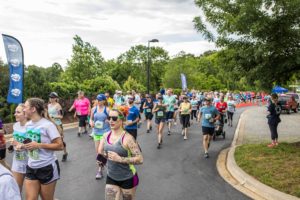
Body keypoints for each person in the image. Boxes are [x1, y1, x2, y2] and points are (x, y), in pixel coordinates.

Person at [23, 98, 64, 200]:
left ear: (33, 109)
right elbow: (31, 144)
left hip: (47, 167)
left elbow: (60, 145)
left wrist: (39, 145)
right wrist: (22, 146)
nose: (23, 109)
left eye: (25, 107)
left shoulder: (47, 125)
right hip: (31, 166)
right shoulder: (28, 125)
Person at [98, 109, 143, 200]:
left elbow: (140, 159)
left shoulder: (128, 138)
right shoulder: (105, 135)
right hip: (111, 176)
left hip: (128, 178)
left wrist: (119, 159)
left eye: (114, 118)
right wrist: (102, 159)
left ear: (122, 120)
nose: (110, 120)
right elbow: (102, 152)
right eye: (109, 118)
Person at [90, 94, 110, 179]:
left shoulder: (107, 110)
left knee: (100, 150)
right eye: (97, 99)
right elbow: (90, 119)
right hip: (96, 132)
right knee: (98, 152)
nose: (98, 101)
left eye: (100, 100)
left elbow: (112, 119)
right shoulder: (94, 109)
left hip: (105, 132)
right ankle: (103, 164)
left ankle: (99, 170)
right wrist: (91, 123)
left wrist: (108, 120)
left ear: (104, 101)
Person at [10, 104, 28, 192]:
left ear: (25, 114)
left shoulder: (31, 127)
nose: (15, 114)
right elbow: (15, 139)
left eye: (18, 112)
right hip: (17, 161)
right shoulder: (16, 125)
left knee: (37, 194)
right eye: (15, 112)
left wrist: (19, 144)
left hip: (30, 162)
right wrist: (13, 144)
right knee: (16, 190)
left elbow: (33, 145)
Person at [48, 92, 68, 162]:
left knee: (61, 140)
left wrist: (53, 116)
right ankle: (50, 156)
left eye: (53, 98)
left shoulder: (58, 106)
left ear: (56, 98)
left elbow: (61, 116)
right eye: (50, 97)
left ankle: (65, 153)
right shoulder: (48, 105)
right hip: (50, 125)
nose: (51, 99)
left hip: (58, 125)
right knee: (50, 140)